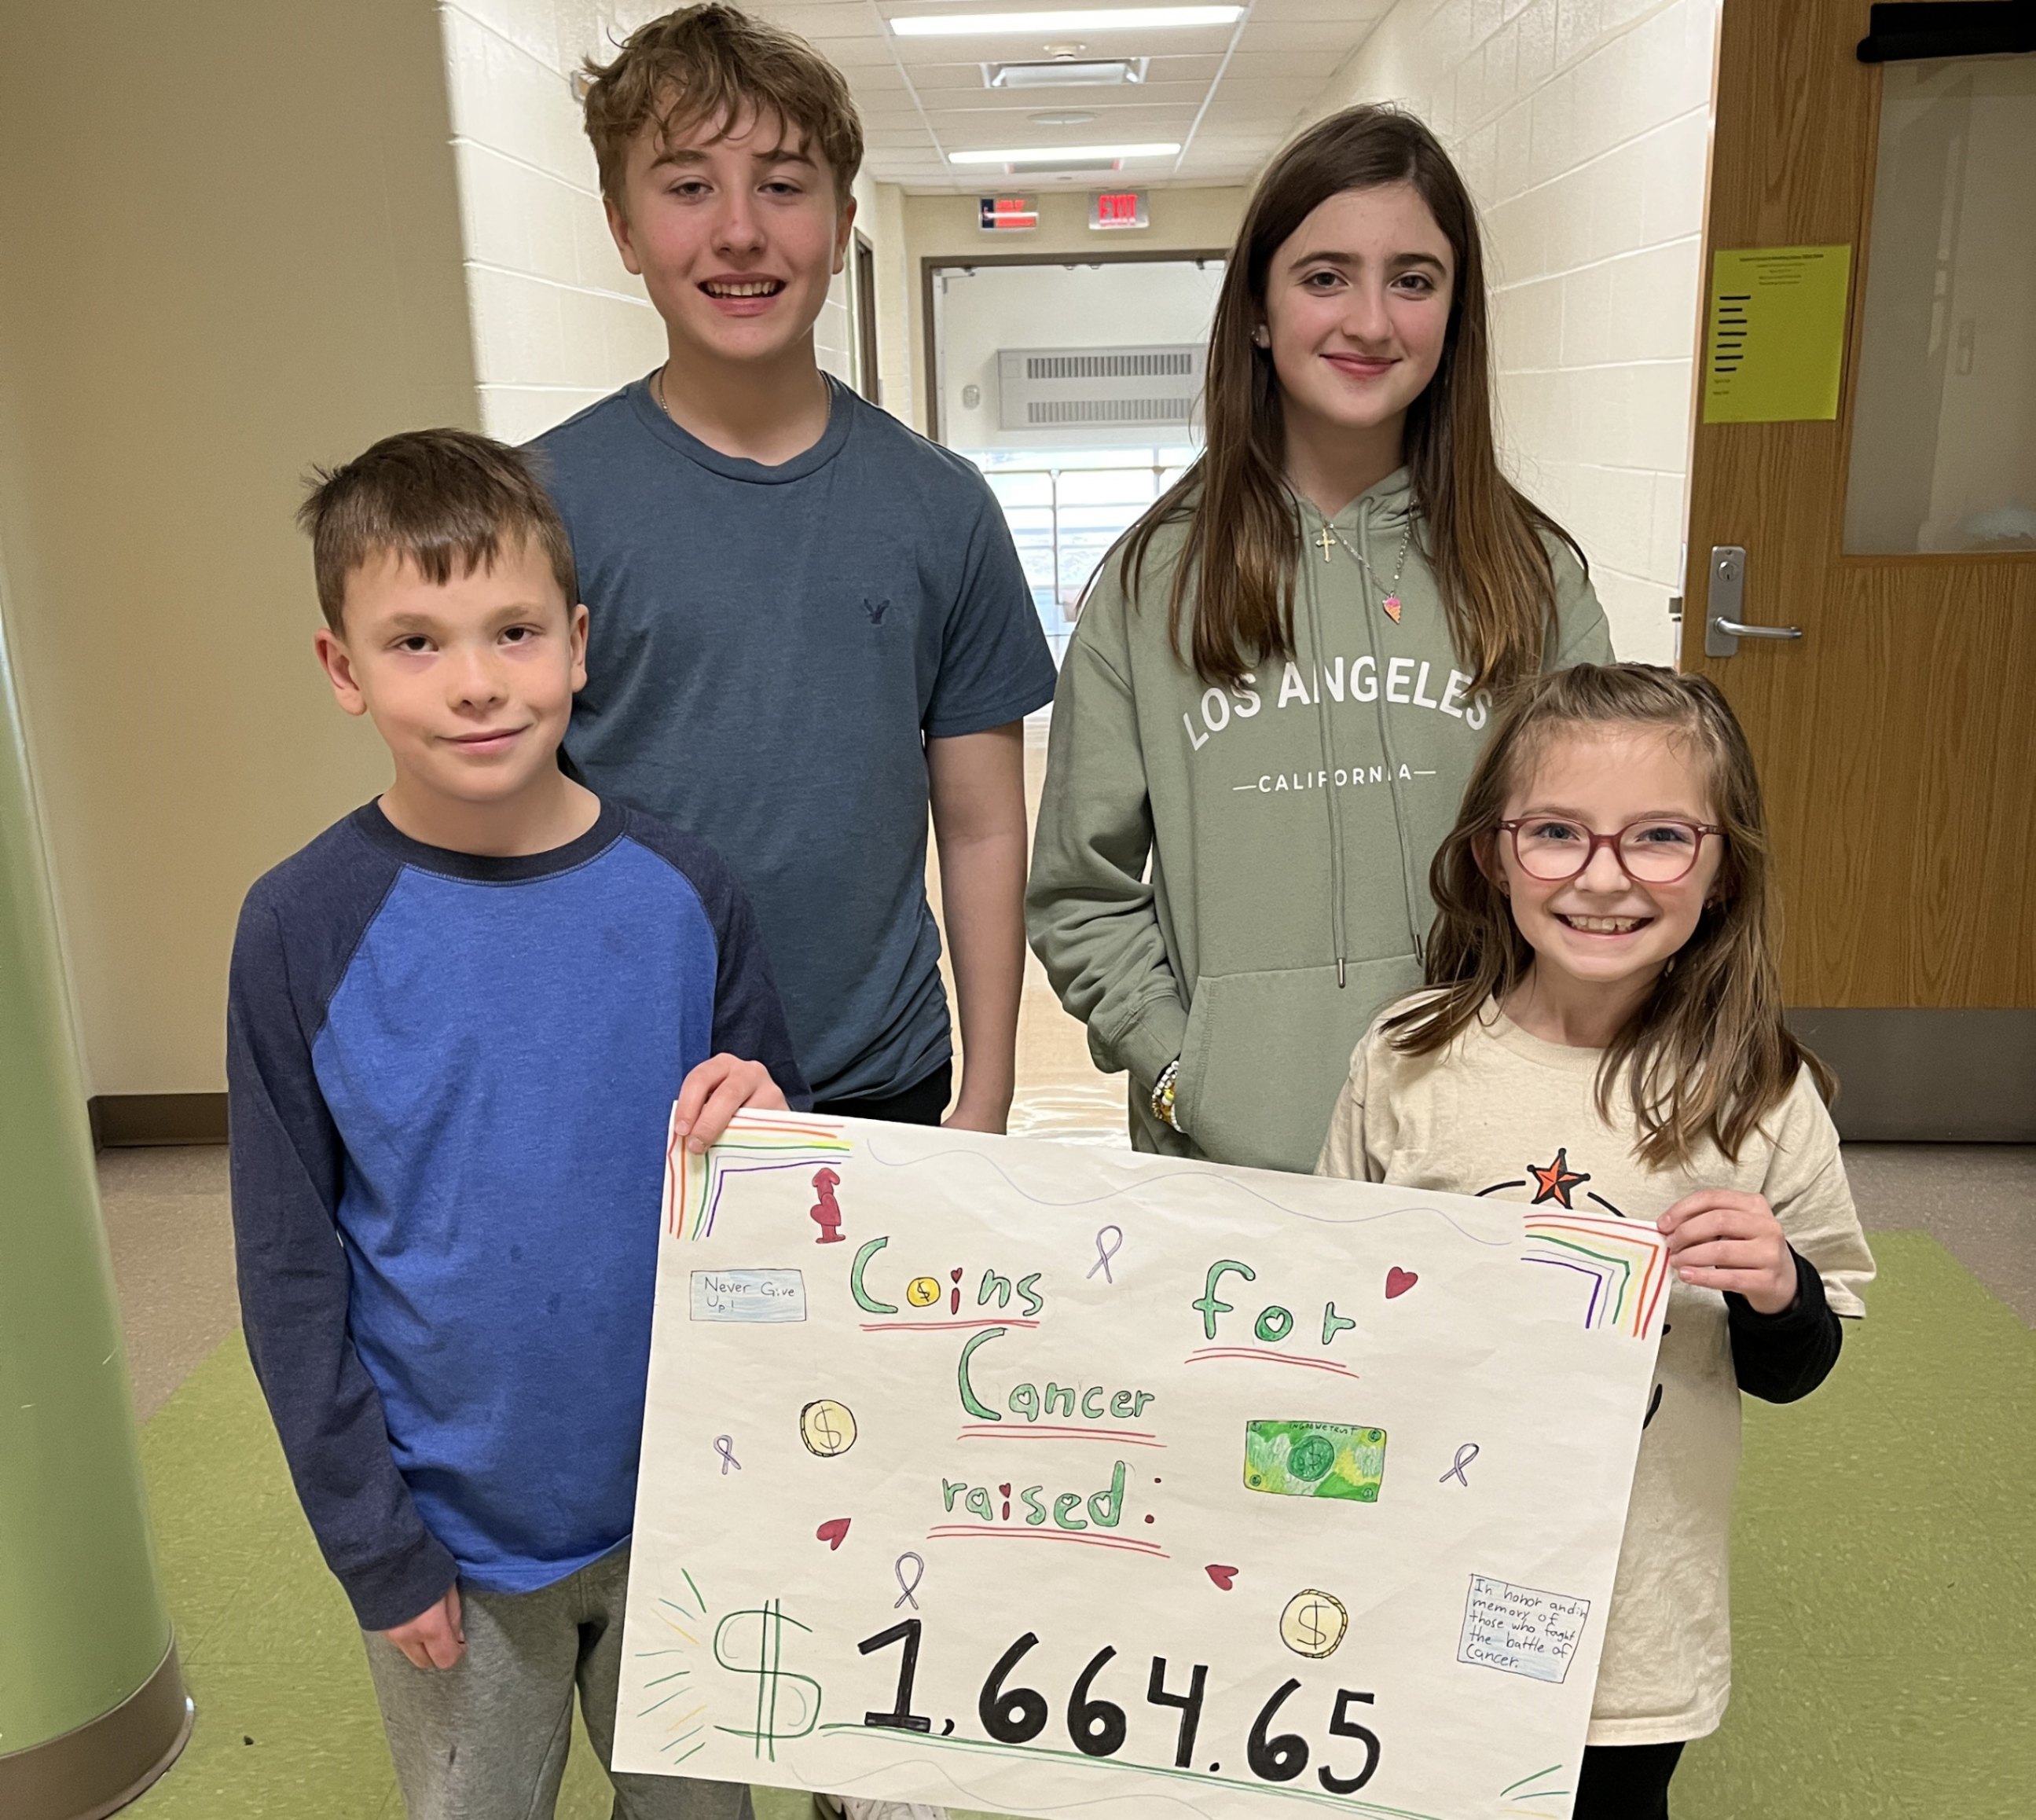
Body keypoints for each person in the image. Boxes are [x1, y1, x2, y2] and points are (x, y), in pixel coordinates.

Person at [228, 429, 807, 1819]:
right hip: (454, 1538)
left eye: (515, 631)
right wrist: (377, 1544)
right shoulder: (301, 927)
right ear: (341, 670)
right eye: (416, 642)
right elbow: (290, 1272)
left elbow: (786, 1179)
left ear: (579, 643)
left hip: (689, 1501)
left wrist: (779, 1125)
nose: (480, 682)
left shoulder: (687, 893)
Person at [1318, 662, 1876, 1820]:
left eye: (1661, 836)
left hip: (1631, 1623)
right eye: (1556, 833)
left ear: (1721, 869)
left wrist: (1781, 1291)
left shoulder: (1758, 1096)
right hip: (1420, 1579)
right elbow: (1336, 1315)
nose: (1603, 877)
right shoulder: (1406, 1059)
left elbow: (1801, 1367)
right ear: (1492, 853)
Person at [1026, 105, 1612, 1172]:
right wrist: (1179, 1067)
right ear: (1258, 308)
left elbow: (1596, 864)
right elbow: (1083, 892)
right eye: (1326, 276)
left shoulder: (1534, 578)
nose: (1372, 321)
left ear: (1455, 311)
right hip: (1229, 1162)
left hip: (1492, 1151)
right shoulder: (1151, 583)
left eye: (1415, 279)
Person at [535, 3, 1055, 1133]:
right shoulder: (539, 508)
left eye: (781, 184)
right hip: (625, 1079)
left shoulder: (939, 506)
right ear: (622, 228)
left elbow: (978, 825)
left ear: (840, 216)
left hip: (881, 1078)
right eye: (686, 187)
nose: (738, 232)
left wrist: (991, 1090)